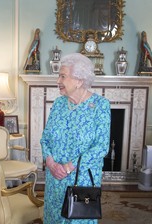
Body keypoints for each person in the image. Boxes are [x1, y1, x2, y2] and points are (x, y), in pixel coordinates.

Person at [40, 53, 111, 223]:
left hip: (82, 181)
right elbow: (45, 138)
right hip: (55, 178)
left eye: (62, 76)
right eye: (59, 76)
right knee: (54, 218)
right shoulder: (58, 104)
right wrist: (51, 163)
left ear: (79, 80)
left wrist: (67, 167)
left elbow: (101, 147)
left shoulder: (100, 106)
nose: (58, 81)